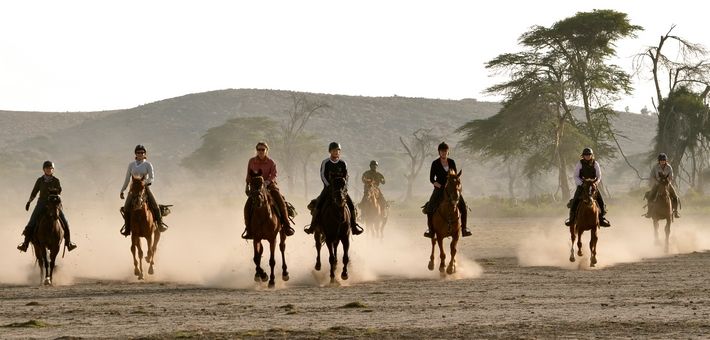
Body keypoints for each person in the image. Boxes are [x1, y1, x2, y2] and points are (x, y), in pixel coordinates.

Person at [304, 142, 364, 235]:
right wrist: (328, 186)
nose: (336, 152)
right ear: (330, 151)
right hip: (328, 188)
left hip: (341, 190)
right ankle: (312, 226)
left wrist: (344, 188)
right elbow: (323, 175)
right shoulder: (325, 162)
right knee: (318, 204)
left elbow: (346, 177)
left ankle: (354, 226)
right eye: (334, 150)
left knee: (351, 205)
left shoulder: (343, 163)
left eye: (338, 150)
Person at [17, 161, 77, 252]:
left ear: (53, 170)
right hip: (41, 203)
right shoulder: (39, 180)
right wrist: (29, 202)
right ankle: (25, 244)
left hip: (53, 204)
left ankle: (68, 243)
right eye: (47, 168)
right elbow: (34, 192)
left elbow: (59, 193)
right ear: (44, 169)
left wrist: (56, 198)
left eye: (50, 168)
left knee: (65, 222)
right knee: (31, 221)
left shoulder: (56, 180)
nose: (49, 170)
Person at [242, 141, 295, 239]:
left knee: (281, 202)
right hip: (256, 188)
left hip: (270, 186)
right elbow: (248, 174)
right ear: (256, 150)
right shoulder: (251, 161)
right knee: (247, 206)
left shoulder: (271, 162)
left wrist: (266, 182)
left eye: (263, 149)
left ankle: (287, 225)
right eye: (259, 149)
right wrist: (247, 185)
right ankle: (248, 230)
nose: (261, 151)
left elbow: (274, 174)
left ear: (266, 150)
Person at [423, 142, 472, 238]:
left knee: (463, 206)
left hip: (451, 189)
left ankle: (464, 229)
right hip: (439, 188)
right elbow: (432, 179)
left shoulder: (452, 162)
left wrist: (455, 186)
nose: (443, 153)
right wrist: (440, 186)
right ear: (439, 152)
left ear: (448, 152)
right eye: (442, 151)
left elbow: (455, 176)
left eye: (445, 151)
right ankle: (431, 230)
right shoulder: (435, 163)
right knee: (429, 208)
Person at [120, 144, 167, 236]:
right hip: (133, 189)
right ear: (135, 154)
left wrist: (144, 183)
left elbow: (152, 178)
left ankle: (160, 224)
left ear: (145, 154)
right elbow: (127, 179)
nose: (140, 154)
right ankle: (127, 227)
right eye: (138, 152)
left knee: (155, 205)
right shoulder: (131, 165)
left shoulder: (148, 164)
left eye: (142, 152)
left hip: (144, 188)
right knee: (126, 208)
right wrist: (122, 190)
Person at [565, 147, 611, 227]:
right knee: (575, 201)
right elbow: (575, 176)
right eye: (586, 155)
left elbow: (599, 176)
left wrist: (595, 183)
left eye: (589, 154)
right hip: (582, 186)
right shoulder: (579, 163)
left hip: (593, 186)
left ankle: (602, 218)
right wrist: (581, 183)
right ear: (583, 156)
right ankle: (571, 219)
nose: (587, 156)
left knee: (601, 201)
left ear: (591, 155)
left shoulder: (595, 163)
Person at [645, 153, 680, 218]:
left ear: (666, 161)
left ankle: (675, 212)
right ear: (659, 161)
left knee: (675, 196)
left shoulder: (669, 167)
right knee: (650, 196)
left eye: (663, 160)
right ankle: (649, 212)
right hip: (658, 184)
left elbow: (671, 177)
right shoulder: (655, 167)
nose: (662, 161)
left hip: (667, 184)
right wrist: (657, 182)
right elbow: (652, 176)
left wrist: (667, 182)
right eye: (661, 160)